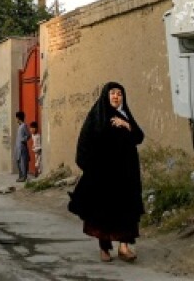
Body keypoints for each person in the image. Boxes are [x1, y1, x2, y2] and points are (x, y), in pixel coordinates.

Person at [67, 82, 145, 263]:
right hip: (103, 175)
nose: (116, 97)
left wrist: (126, 125)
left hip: (126, 174)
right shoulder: (97, 116)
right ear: (106, 96)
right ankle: (104, 248)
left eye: (119, 94)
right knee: (104, 211)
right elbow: (84, 141)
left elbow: (139, 137)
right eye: (113, 93)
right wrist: (90, 167)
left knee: (127, 209)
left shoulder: (125, 115)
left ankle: (124, 247)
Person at [14, 111, 31, 182]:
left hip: (22, 147)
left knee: (23, 162)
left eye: (16, 118)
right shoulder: (20, 127)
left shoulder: (24, 126)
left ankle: (24, 177)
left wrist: (23, 140)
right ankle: (20, 176)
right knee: (18, 162)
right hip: (18, 147)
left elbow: (28, 135)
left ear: (18, 118)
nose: (16, 119)